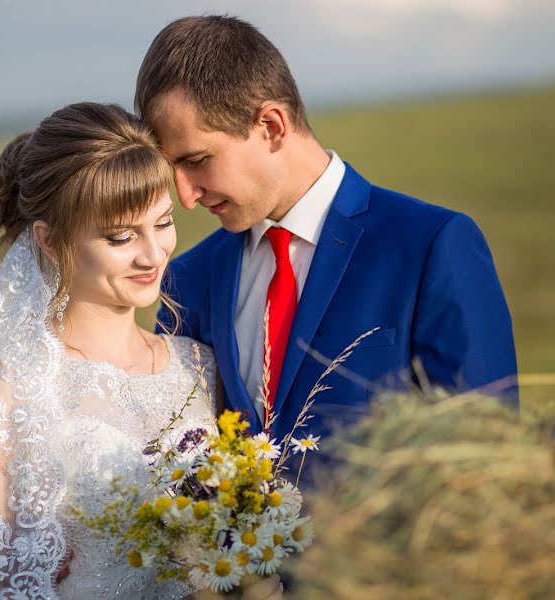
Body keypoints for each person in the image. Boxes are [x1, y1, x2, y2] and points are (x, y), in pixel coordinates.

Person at [0, 102, 281, 599]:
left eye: (163, 222)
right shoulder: (10, 387)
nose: (153, 254)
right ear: (49, 239)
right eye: (121, 236)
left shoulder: (201, 366)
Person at [137, 16, 519, 450]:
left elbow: (489, 453)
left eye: (197, 160)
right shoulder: (186, 280)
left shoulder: (431, 246)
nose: (185, 196)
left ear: (271, 127)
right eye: (173, 169)